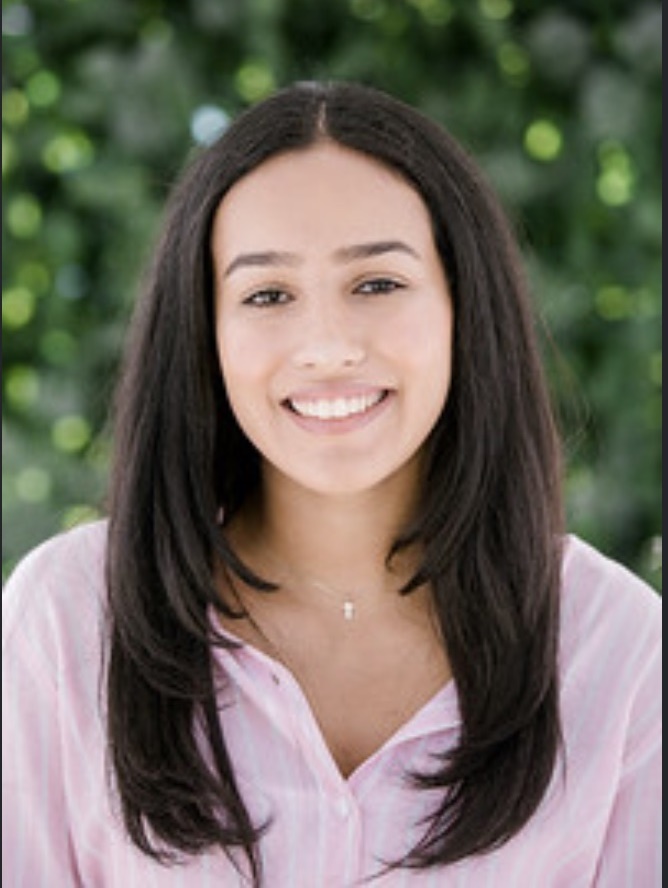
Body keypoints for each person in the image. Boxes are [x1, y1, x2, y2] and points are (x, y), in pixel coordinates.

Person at [2, 81, 661, 888]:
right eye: (267, 294)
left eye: (377, 283)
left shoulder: (621, 652)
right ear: (206, 333)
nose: (327, 346)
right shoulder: (65, 622)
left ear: (463, 305)